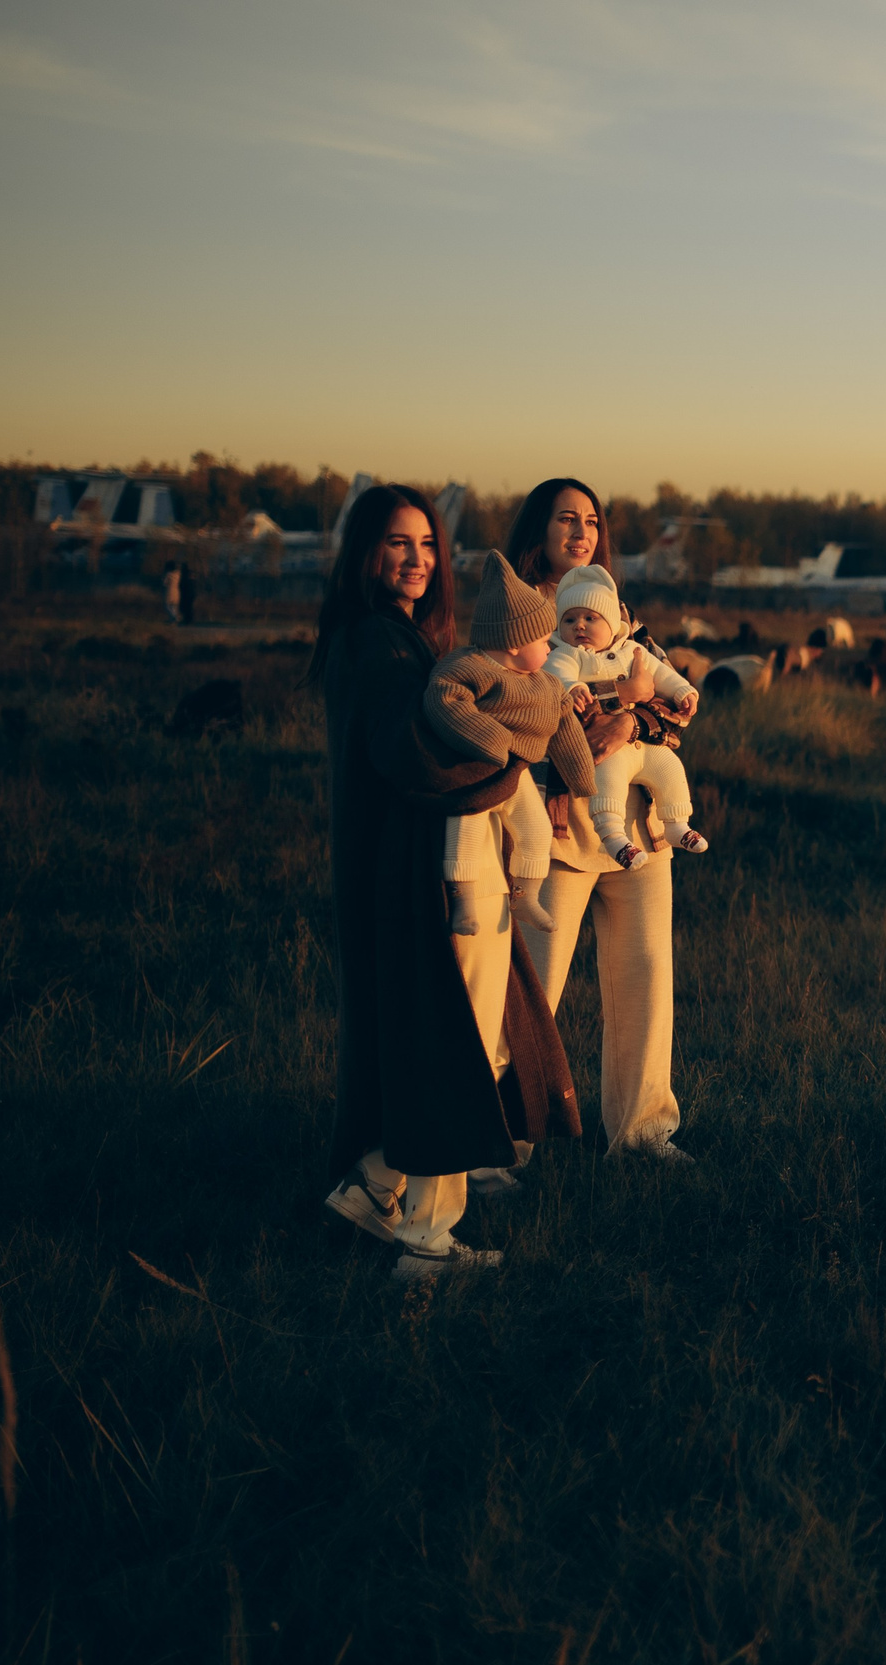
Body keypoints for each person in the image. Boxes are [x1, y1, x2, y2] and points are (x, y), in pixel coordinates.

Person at [310, 483, 581, 1276]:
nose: (418, 560)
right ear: (365, 551)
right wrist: (514, 759)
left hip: (415, 866)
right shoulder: (377, 643)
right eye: (399, 543)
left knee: (441, 1037)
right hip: (419, 872)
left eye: (428, 545)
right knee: (449, 1046)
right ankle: (429, 1242)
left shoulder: (398, 639)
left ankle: (373, 1183)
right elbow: (412, 757)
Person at [504, 477, 692, 1165]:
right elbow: (515, 708)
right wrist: (611, 705)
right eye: (565, 519)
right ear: (539, 529)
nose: (580, 532)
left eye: (590, 521)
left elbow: (672, 704)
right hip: (552, 827)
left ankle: (643, 1132)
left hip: (636, 828)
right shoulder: (521, 617)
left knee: (645, 972)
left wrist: (629, 718)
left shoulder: (620, 610)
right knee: (530, 987)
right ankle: (505, 1143)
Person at [424, 553, 595, 935]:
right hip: (476, 771)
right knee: (464, 827)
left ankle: (526, 895)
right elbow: (444, 699)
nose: (551, 647)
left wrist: (583, 780)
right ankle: (463, 901)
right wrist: (491, 739)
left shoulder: (546, 684)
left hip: (517, 775)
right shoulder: (471, 668)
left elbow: (564, 725)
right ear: (515, 643)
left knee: (535, 831)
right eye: (542, 639)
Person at [545, 565, 709, 868]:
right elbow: (556, 677)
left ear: (612, 625)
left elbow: (661, 674)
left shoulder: (634, 649)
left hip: (642, 745)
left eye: (590, 618)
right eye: (569, 620)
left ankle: (676, 824)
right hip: (609, 752)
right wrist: (575, 687)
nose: (579, 626)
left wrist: (684, 691)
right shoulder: (565, 654)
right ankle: (614, 837)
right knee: (609, 782)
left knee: (670, 767)